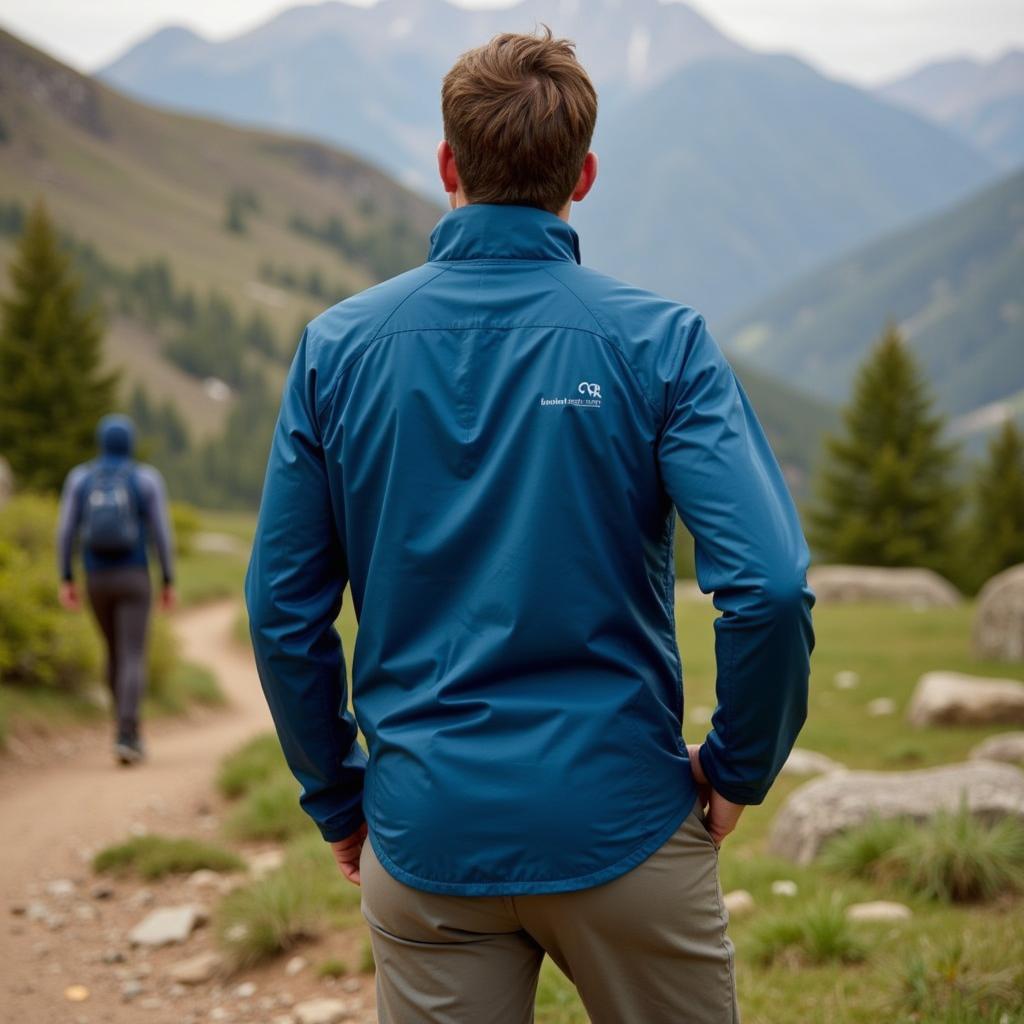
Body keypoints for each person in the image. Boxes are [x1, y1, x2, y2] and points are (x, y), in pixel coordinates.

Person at [246, 27, 815, 1024]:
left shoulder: (335, 349)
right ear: (583, 174)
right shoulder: (660, 342)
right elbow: (766, 585)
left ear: (446, 165)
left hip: (425, 836)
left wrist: (338, 797)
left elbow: (281, 611)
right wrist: (737, 768)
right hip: (624, 823)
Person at [57, 414, 176, 764]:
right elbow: (162, 533)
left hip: (96, 579)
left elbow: (66, 531)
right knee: (133, 654)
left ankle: (120, 725)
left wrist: (66, 577)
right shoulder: (145, 479)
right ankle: (128, 734)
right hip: (135, 577)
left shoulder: (81, 478)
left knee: (113, 651)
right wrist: (168, 579)